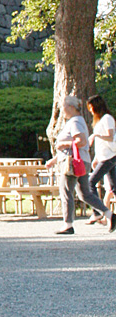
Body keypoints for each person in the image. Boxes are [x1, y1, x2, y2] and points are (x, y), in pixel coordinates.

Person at [46, 96, 116, 235]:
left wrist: (61, 144)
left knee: (66, 190)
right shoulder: (80, 121)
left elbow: (81, 141)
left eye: (64, 107)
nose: (63, 110)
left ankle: (68, 224)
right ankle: (109, 215)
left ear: (71, 107)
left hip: (73, 162)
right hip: (82, 160)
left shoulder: (75, 121)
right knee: (85, 193)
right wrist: (54, 160)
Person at [85, 94, 116, 221]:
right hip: (104, 156)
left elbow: (110, 136)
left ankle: (98, 211)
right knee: (114, 187)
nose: (90, 111)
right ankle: (103, 213)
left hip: (110, 156)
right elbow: (101, 143)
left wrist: (95, 135)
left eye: (91, 107)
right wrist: (96, 158)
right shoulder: (100, 121)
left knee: (90, 182)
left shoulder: (107, 118)